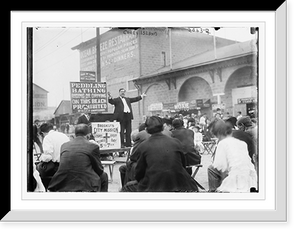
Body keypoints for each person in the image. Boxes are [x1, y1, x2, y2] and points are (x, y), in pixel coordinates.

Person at [121, 116, 198, 192]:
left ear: (146, 130)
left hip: (154, 185)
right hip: (179, 183)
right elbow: (183, 165)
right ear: (162, 128)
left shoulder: (143, 145)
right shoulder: (175, 142)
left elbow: (139, 172)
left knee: (127, 187)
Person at [48, 124, 108, 192]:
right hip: (85, 183)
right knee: (104, 176)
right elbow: (99, 169)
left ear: (74, 135)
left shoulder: (64, 145)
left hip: (62, 181)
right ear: (88, 135)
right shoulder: (93, 146)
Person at [207, 119, 257, 192]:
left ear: (217, 134)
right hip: (251, 175)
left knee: (211, 169)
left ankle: (213, 193)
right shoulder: (242, 142)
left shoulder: (223, 143)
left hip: (236, 176)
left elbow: (220, 167)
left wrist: (225, 185)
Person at [36, 122, 70, 189]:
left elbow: (48, 157)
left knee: (38, 170)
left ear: (43, 133)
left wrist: (41, 158)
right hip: (67, 165)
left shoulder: (47, 138)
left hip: (56, 168)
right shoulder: (64, 135)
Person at [119, 123, 150, 187]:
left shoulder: (142, 138)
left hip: (147, 168)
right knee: (126, 167)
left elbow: (133, 156)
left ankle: (127, 188)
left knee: (130, 166)